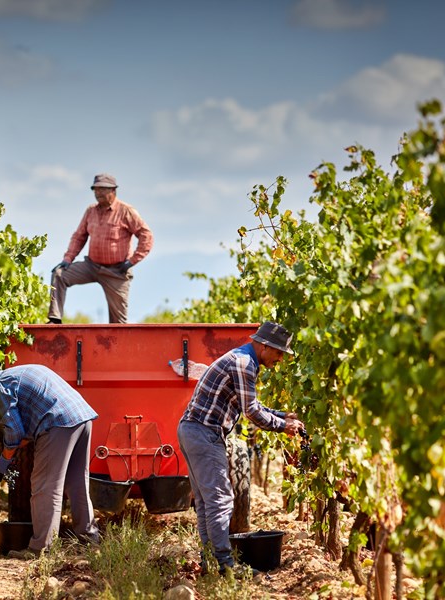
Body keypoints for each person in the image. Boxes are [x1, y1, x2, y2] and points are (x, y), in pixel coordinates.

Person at [176, 321, 306, 575]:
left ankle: (211, 562)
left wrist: (283, 414)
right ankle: (224, 565)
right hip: (204, 432)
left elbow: (252, 404)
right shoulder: (244, 364)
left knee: (206, 502)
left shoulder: (244, 359)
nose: (280, 359)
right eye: (279, 352)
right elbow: (252, 412)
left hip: (193, 430)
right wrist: (283, 426)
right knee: (220, 501)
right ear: (265, 346)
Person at [0, 364, 101, 559]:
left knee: (45, 486)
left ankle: (41, 549)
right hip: (82, 416)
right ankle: (90, 541)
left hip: (58, 422)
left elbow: (14, 431)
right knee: (77, 483)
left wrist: (3, 463)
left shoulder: (0, 385)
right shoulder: (19, 372)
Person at [47, 173, 153, 324]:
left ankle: (117, 344)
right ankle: (54, 319)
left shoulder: (126, 211)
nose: (98, 193)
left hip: (117, 270)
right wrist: (67, 259)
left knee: (118, 323)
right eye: (95, 189)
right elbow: (79, 236)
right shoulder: (91, 211)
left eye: (103, 189)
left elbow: (146, 235)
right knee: (59, 274)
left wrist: (132, 261)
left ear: (113, 191)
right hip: (92, 265)